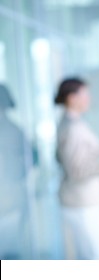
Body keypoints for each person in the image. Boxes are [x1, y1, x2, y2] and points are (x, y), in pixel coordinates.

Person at [54, 77, 99, 260]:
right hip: (82, 202)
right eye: (84, 94)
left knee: (90, 255)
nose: (88, 99)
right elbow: (77, 171)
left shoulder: (68, 123)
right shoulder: (72, 127)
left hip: (79, 200)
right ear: (71, 98)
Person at [0, 84, 33, 259]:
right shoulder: (15, 129)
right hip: (13, 197)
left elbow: (29, 161)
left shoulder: (11, 131)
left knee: (9, 252)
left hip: (9, 200)